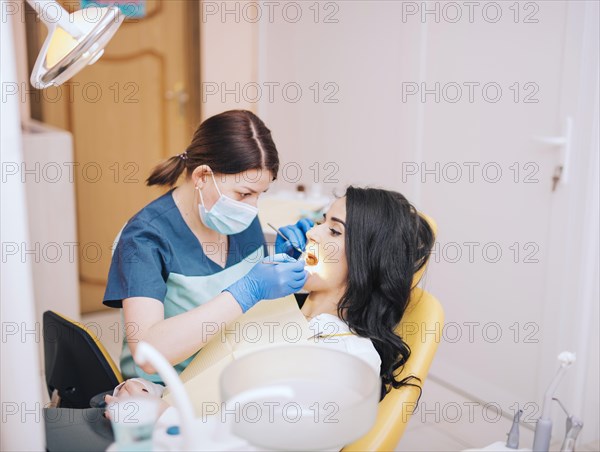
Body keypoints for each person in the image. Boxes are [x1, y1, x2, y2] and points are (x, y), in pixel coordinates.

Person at [106, 185, 435, 411]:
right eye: (321, 222)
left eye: (333, 230)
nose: (310, 232)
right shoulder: (285, 314)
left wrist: (158, 418)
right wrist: (158, 395)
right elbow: (216, 390)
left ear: (367, 261)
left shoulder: (347, 359)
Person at [103, 110, 313, 382]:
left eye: (259, 195)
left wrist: (282, 264)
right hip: (171, 391)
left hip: (233, 371)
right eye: (244, 193)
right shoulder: (143, 238)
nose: (252, 208)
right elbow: (147, 353)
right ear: (202, 176)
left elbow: (252, 306)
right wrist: (246, 290)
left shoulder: (238, 217)